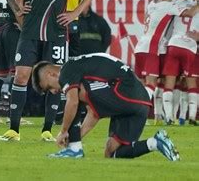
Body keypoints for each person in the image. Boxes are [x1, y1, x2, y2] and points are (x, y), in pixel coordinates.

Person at [0, 0, 97, 142]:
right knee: (21, 76)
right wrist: (16, 9)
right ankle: (13, 130)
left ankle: (47, 131)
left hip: (57, 32)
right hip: (29, 31)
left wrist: (74, 13)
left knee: (55, 82)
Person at [31, 54, 180, 161]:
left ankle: (74, 150)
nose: (53, 91)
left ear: (51, 74)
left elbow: (74, 102)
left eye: (48, 87)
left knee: (73, 95)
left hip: (124, 91)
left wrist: (63, 131)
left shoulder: (67, 70)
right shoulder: (82, 68)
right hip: (139, 103)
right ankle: (156, 142)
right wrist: (74, 138)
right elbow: (94, 114)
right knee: (112, 153)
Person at [134, 0, 199, 124]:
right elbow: (189, 12)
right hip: (152, 48)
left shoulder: (152, 4)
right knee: (152, 84)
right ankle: (138, 113)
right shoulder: (170, 6)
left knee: (145, 83)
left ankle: (154, 115)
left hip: (140, 46)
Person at [162, 0, 199, 125]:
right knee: (191, 83)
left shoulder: (174, 3)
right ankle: (191, 117)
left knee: (169, 81)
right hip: (190, 47)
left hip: (174, 44)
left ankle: (169, 117)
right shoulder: (194, 8)